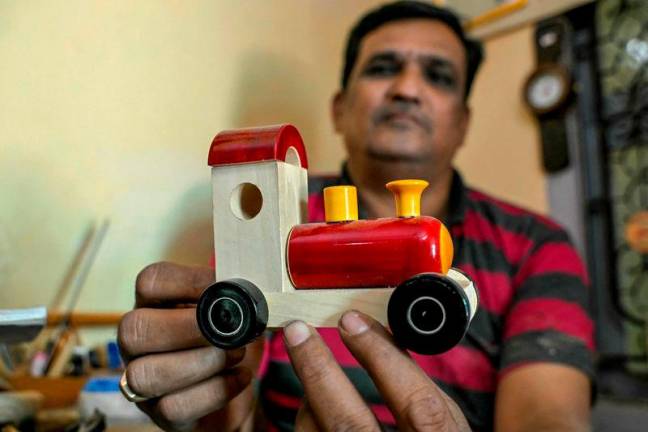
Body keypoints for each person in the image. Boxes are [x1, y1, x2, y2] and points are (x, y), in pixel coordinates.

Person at [117, 1, 595, 430]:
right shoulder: (269, 228)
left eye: (439, 76)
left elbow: (548, 417)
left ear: (463, 122)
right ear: (340, 110)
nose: (408, 89)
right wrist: (202, 398)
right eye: (384, 68)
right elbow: (227, 412)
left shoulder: (538, 244)